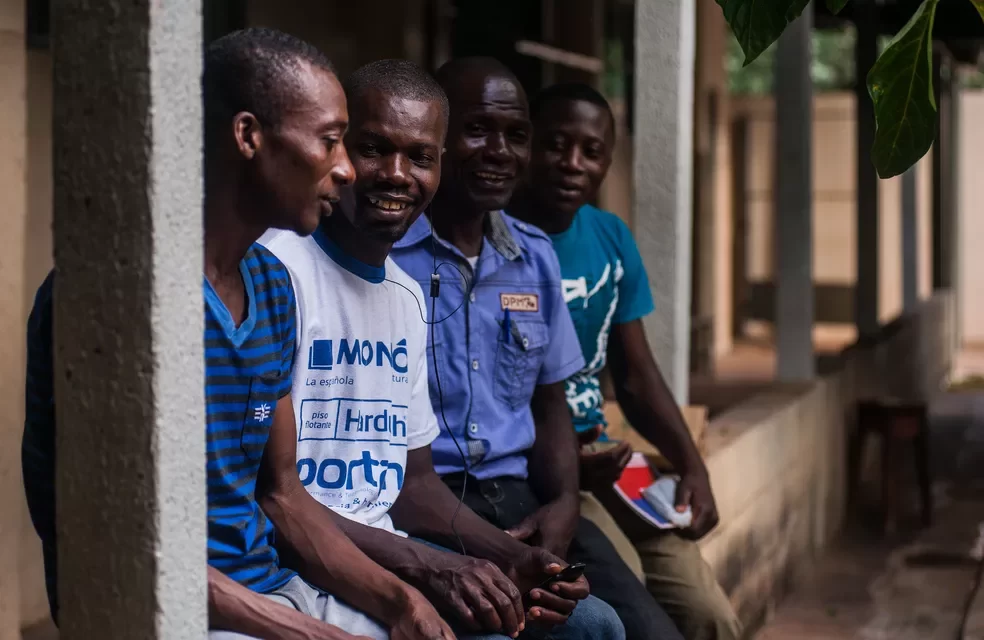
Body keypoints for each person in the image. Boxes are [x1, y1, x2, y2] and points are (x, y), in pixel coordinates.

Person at [23, 28, 458, 640]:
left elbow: (283, 496)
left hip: (272, 591)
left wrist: (400, 603)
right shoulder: (116, 298)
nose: (345, 170)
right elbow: (113, 544)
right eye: (333, 141)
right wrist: (304, 632)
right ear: (249, 136)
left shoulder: (272, 286)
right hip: (166, 612)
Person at [262, 58, 621, 640]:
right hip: (308, 569)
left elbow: (412, 482)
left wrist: (511, 557)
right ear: (336, 150)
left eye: (421, 157)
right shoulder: (277, 270)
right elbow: (275, 497)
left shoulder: (405, 297)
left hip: (390, 552)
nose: (397, 175)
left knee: (593, 625)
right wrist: (431, 568)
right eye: (374, 148)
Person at [390, 57, 675, 640]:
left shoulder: (533, 257)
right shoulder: (388, 253)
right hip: (425, 508)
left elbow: (550, 404)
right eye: (477, 130)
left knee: (644, 631)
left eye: (515, 136)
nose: (499, 151)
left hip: (524, 500)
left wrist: (566, 501)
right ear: (437, 139)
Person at [511, 82, 742, 640]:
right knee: (635, 606)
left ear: (608, 163)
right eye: (555, 145)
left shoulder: (610, 237)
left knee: (710, 614)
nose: (572, 164)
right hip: (536, 470)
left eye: (590, 152)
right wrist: (563, 468)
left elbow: (635, 376)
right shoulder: (496, 242)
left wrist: (691, 465)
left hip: (608, 463)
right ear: (527, 147)